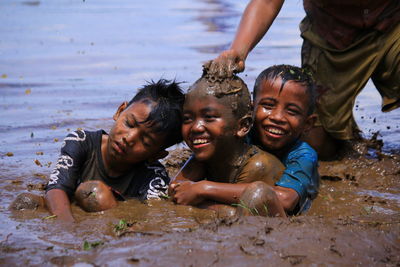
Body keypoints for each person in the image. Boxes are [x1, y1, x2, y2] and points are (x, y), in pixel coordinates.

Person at [206, 0, 400, 159]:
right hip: (333, 33)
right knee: (316, 145)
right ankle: (352, 145)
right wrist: (238, 51)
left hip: (394, 20)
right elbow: (266, 2)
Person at [44, 79, 185, 222]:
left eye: (145, 141)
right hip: (77, 210)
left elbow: (155, 213)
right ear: (120, 111)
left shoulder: (154, 176)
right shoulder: (81, 142)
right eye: (129, 124)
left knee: (97, 193)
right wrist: (67, 228)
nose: (129, 139)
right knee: (27, 201)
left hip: (111, 219)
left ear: (156, 155)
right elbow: (56, 188)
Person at [170, 67, 287, 217]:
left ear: (242, 126)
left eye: (209, 117)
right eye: (187, 119)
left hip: (267, 229)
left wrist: (202, 189)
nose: (196, 127)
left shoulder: (259, 166)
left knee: (257, 193)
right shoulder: (204, 155)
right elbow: (175, 190)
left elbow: (241, 216)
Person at [250, 64, 319, 214]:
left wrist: (205, 189)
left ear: (307, 123)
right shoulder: (243, 137)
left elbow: (285, 200)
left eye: (292, 111)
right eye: (268, 105)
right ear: (251, 109)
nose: (277, 117)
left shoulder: (304, 155)